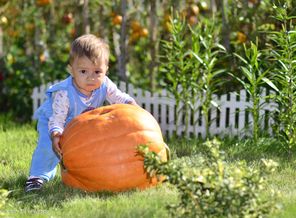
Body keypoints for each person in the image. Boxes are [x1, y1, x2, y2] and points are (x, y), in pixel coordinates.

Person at [25, 34, 137, 192]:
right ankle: (37, 177)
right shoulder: (64, 93)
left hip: (79, 122)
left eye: (97, 72)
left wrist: (131, 105)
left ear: (106, 70)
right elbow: (57, 119)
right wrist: (56, 134)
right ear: (72, 70)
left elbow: (119, 97)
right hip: (54, 119)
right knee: (48, 148)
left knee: (84, 146)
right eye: (83, 71)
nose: (91, 77)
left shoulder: (105, 84)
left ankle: (83, 172)